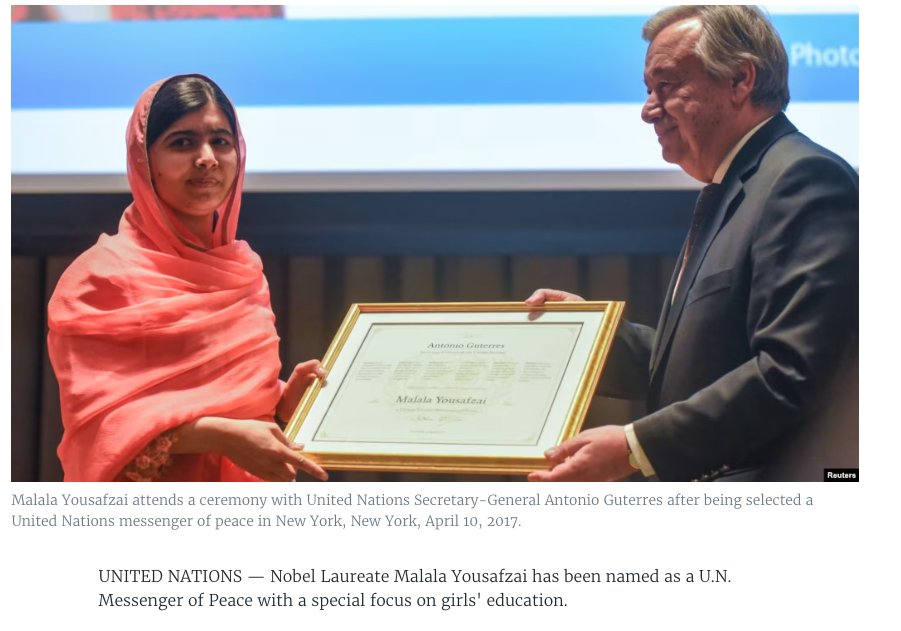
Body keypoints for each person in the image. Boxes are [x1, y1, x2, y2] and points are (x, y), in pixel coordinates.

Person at [526, 5, 858, 482]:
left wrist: (635, 446)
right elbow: (711, 362)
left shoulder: (803, 179)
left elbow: (791, 371)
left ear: (740, 80)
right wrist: (592, 339)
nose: (647, 110)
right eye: (648, 90)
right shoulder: (739, 186)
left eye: (666, 86)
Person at [47, 74, 329, 482]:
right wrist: (218, 435)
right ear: (144, 160)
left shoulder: (243, 270)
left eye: (221, 141)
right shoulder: (99, 278)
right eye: (182, 143)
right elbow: (99, 428)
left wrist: (284, 402)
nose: (207, 158)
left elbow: (224, 399)